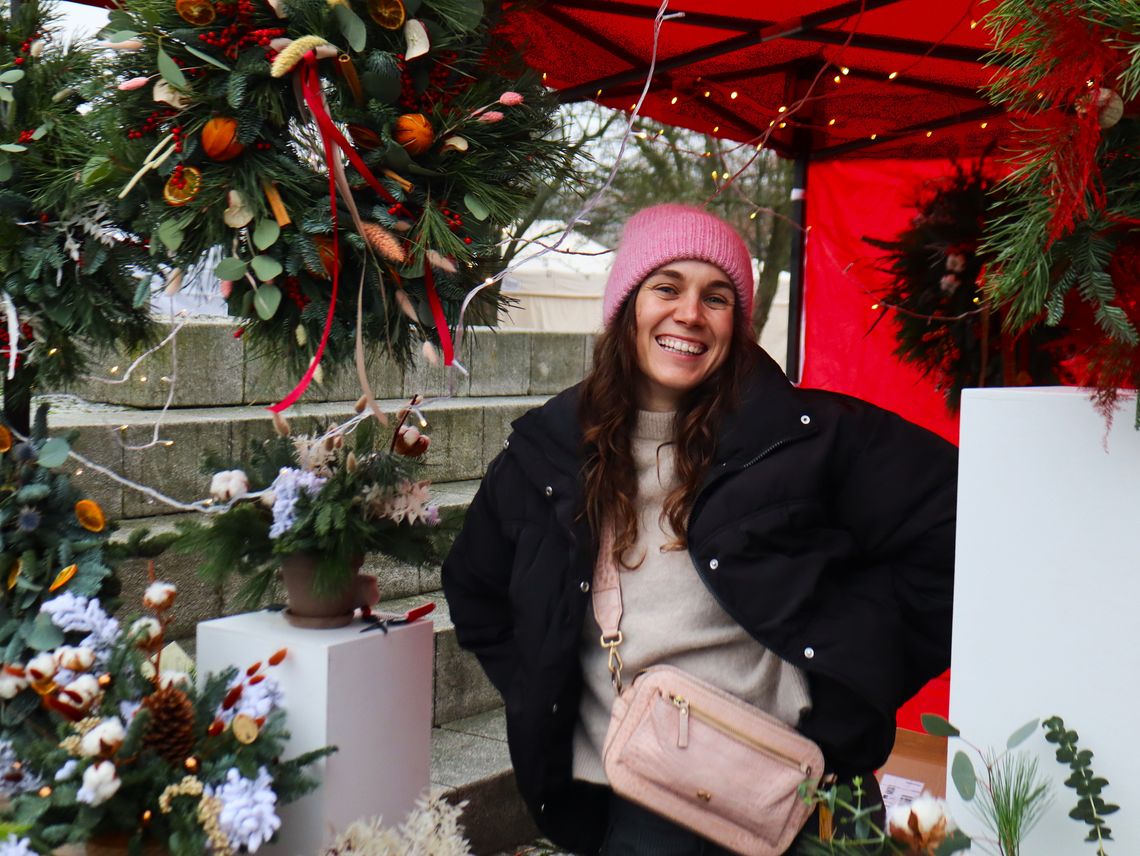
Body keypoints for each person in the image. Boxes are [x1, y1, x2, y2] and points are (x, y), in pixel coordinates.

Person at [441, 204, 957, 855]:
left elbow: (961, 534)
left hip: (811, 791)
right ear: (627, 305)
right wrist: (546, 695)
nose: (689, 312)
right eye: (666, 287)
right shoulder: (549, 453)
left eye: (716, 297)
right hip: (648, 803)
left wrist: (852, 676)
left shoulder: (810, 436)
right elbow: (474, 588)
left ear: (736, 324)